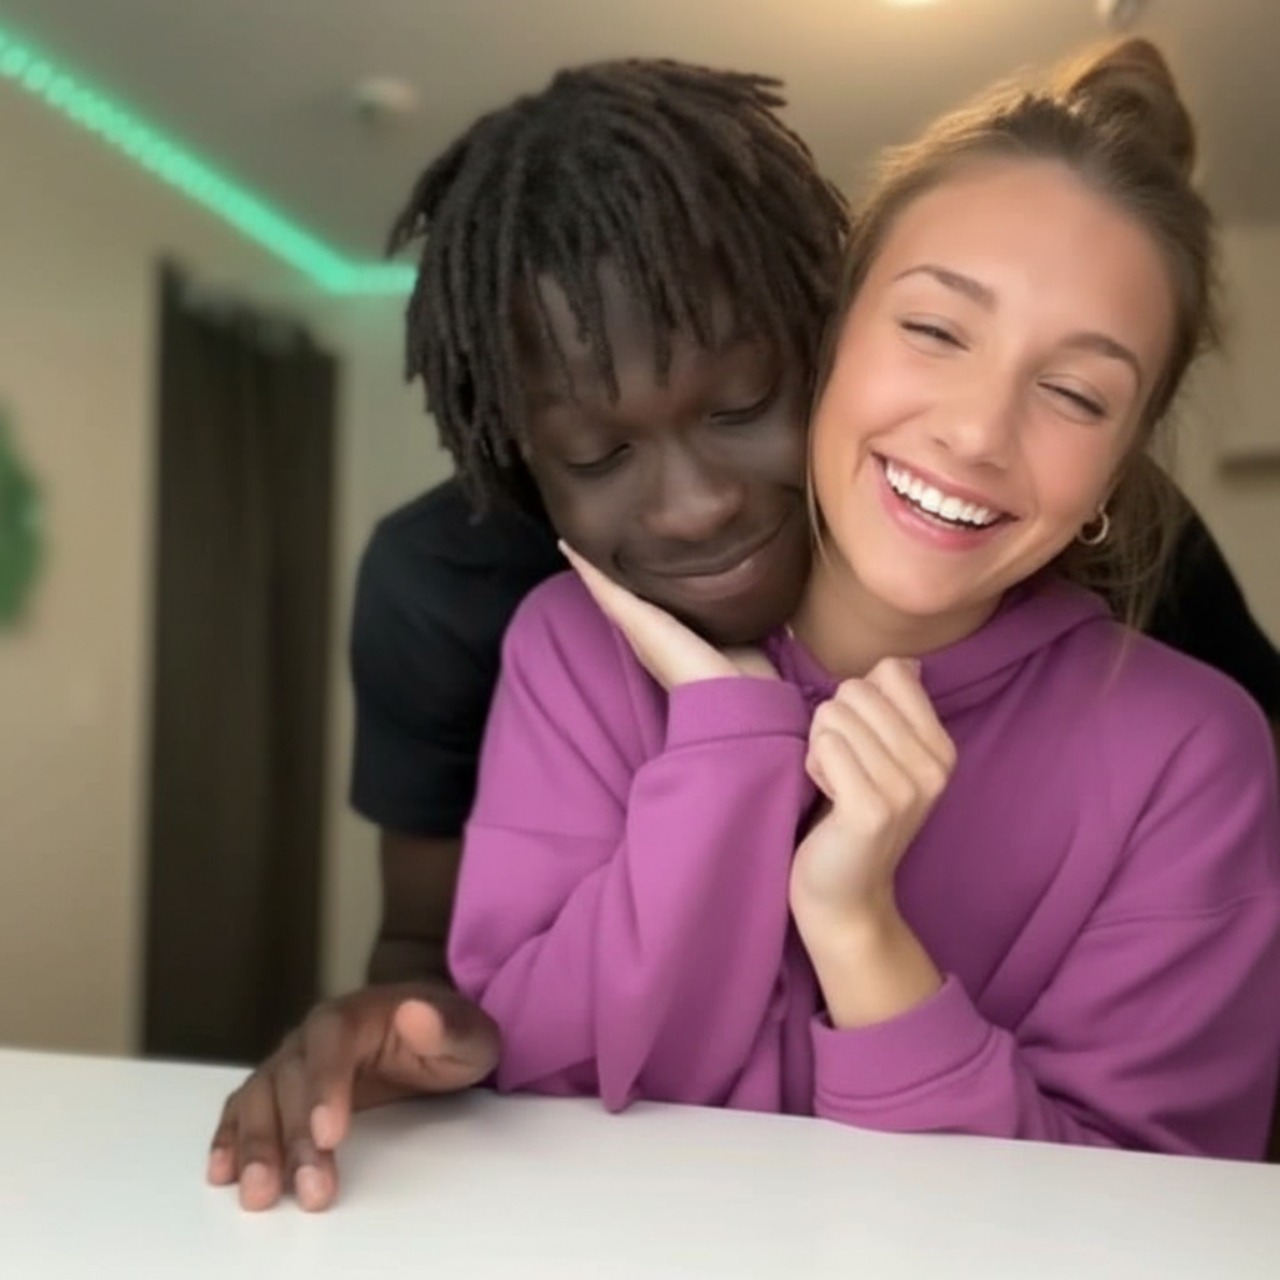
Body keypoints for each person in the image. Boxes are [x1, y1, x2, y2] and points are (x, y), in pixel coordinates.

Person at [209, 53, 1280, 1211]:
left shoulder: (1190, 752)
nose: (976, 431)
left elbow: (1149, 1220)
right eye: (934, 327)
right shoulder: (567, 646)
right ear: (831, 328)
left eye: (1075, 393)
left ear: (1121, 461)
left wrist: (859, 931)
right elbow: (534, 1073)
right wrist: (729, 737)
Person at [208, 58, 849, 1212]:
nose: (693, 504)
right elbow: (431, 955)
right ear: (513, 450)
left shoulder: (990, 525)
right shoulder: (445, 586)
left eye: (743, 402)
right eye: (596, 454)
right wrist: (397, 1036)